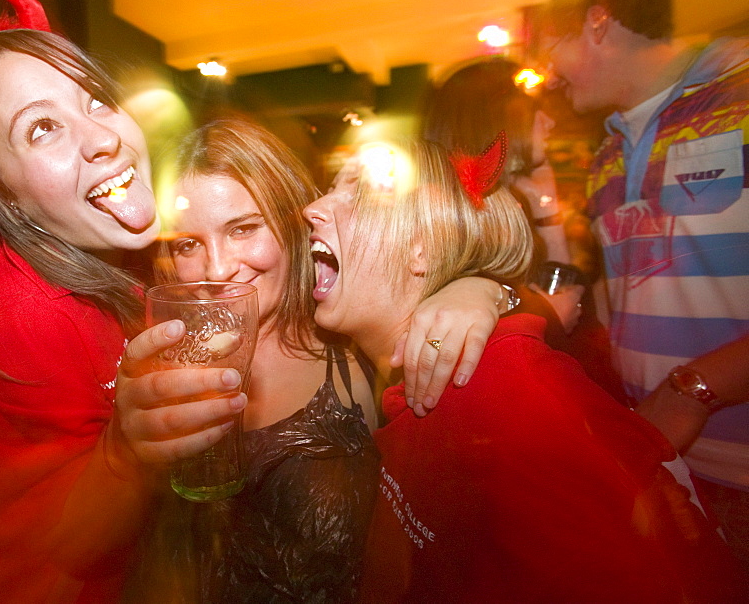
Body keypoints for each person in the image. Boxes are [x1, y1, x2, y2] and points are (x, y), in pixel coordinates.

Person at [301, 136, 743, 602]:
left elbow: (654, 581)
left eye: (358, 195)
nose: (313, 208)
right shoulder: (406, 375)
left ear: (422, 247)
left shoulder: (505, 390)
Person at [0, 0, 179, 603]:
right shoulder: (24, 311)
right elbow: (68, 544)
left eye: (97, 101)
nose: (102, 138)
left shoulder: (110, 252)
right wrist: (128, 453)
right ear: (2, 195)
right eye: (43, 128)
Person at [541, 0, 749, 580]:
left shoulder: (741, 95)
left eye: (552, 44)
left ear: (597, 23)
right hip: (668, 469)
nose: (547, 74)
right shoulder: (608, 150)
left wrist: (694, 388)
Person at [128, 118, 380, 603]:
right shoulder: (160, 357)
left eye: (243, 229)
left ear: (290, 220)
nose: (218, 268)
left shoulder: (354, 344)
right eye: (188, 243)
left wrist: (482, 294)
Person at [423, 57, 629, 405]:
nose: (548, 123)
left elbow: (568, 293)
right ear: (499, 119)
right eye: (536, 112)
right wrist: (545, 313)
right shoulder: (462, 214)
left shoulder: (522, 195)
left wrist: (547, 208)